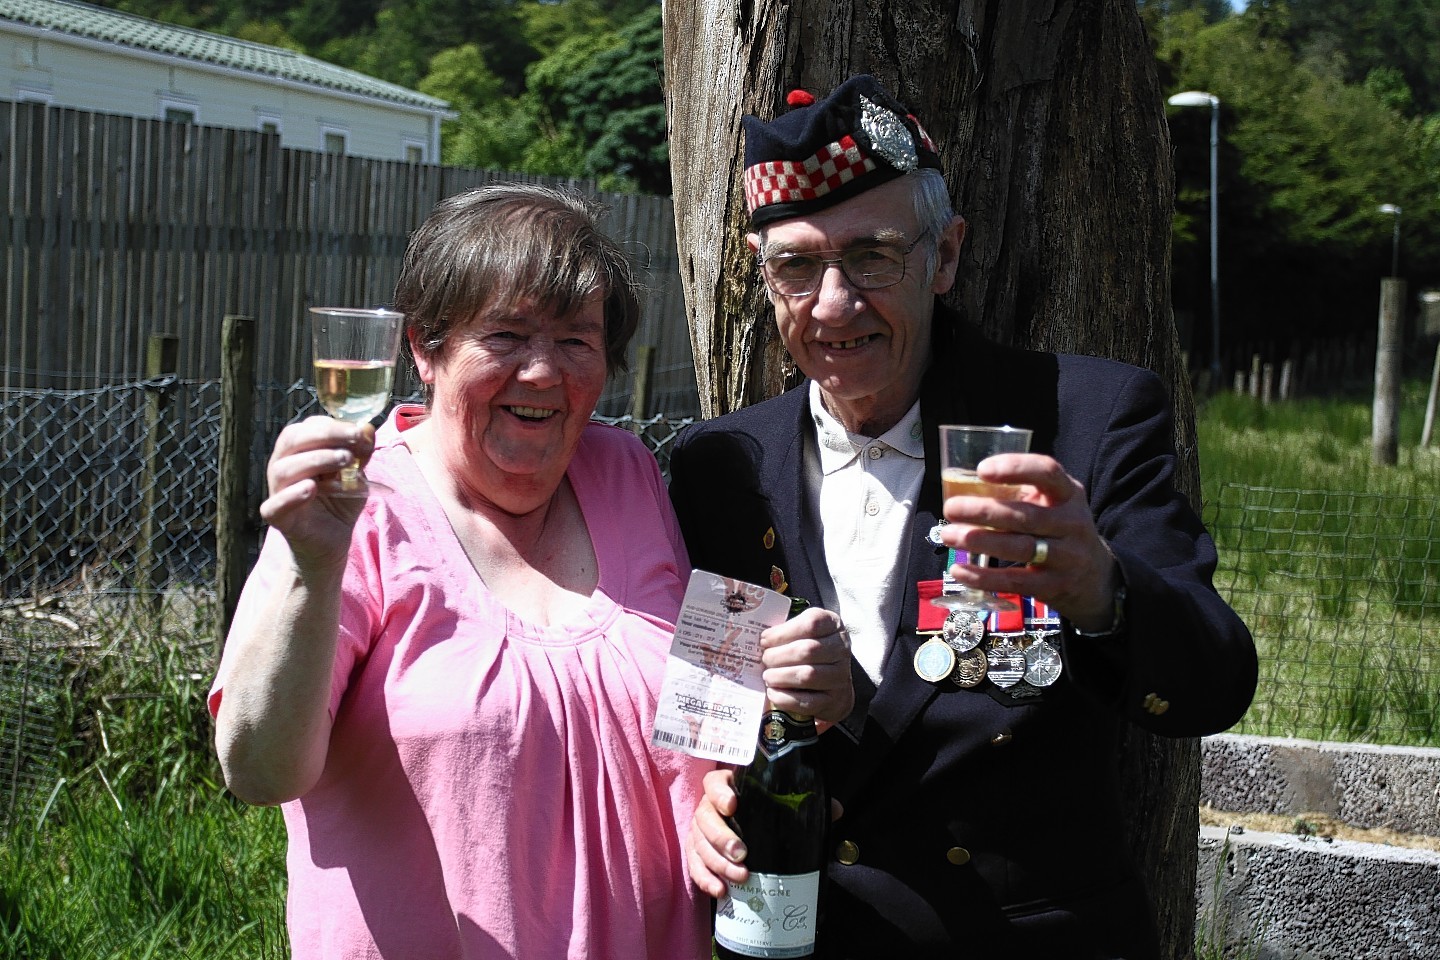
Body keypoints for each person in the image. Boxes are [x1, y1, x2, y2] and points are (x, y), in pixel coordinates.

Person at [673, 76, 1259, 959]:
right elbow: (710, 714)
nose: (833, 304)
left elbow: (1213, 684)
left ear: (944, 258)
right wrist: (698, 810)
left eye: (872, 256)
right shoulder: (720, 464)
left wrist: (1103, 589)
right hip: (793, 939)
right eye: (796, 265)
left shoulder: (1086, 419)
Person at [209, 183, 852, 960]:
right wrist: (313, 566)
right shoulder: (351, 506)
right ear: (424, 347)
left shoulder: (628, 471)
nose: (543, 372)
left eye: (576, 340)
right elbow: (257, 769)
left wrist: (745, 767)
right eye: (507, 335)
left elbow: (710, 721)